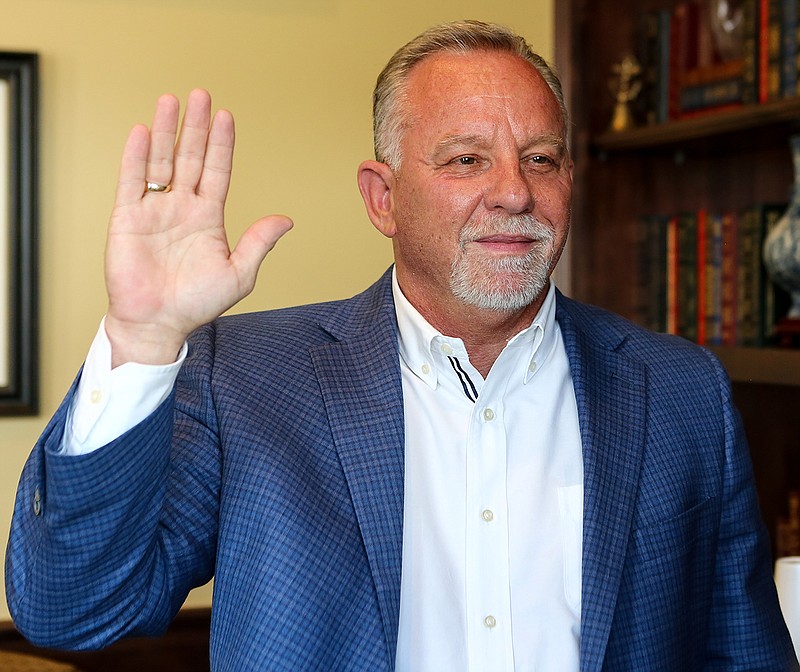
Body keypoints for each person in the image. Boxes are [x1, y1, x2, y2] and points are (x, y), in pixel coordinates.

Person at [5, 19, 798, 672]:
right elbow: (72, 609)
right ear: (382, 199)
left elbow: (742, 654)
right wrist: (143, 339)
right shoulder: (245, 378)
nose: (514, 192)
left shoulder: (683, 390)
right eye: (466, 160)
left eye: (541, 160)